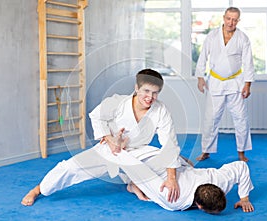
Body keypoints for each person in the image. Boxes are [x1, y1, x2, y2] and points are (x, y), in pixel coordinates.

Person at [21, 69, 182, 206]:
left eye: (155, 93)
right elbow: (96, 116)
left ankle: (132, 184)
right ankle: (38, 189)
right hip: (111, 151)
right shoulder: (118, 102)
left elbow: (169, 144)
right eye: (146, 91)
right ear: (137, 88)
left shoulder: (161, 110)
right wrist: (109, 139)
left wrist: (172, 178)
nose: (150, 97)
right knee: (71, 167)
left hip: (139, 151)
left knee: (174, 165)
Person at [195, 7, 255, 162]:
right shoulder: (212, 36)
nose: (231, 22)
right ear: (224, 17)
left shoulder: (243, 38)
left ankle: (242, 152)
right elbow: (203, 57)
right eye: (229, 18)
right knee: (211, 119)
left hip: (236, 83)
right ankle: (206, 150)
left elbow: (248, 62)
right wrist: (200, 77)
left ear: (238, 20)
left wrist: (248, 84)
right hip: (215, 82)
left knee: (241, 118)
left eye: (235, 19)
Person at [117, 150, 254, 213]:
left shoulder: (220, 180)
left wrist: (244, 198)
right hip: (154, 164)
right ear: (200, 206)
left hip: (182, 169)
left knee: (189, 166)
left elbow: (241, 166)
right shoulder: (174, 200)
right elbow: (144, 176)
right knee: (143, 193)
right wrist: (119, 153)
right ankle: (132, 186)